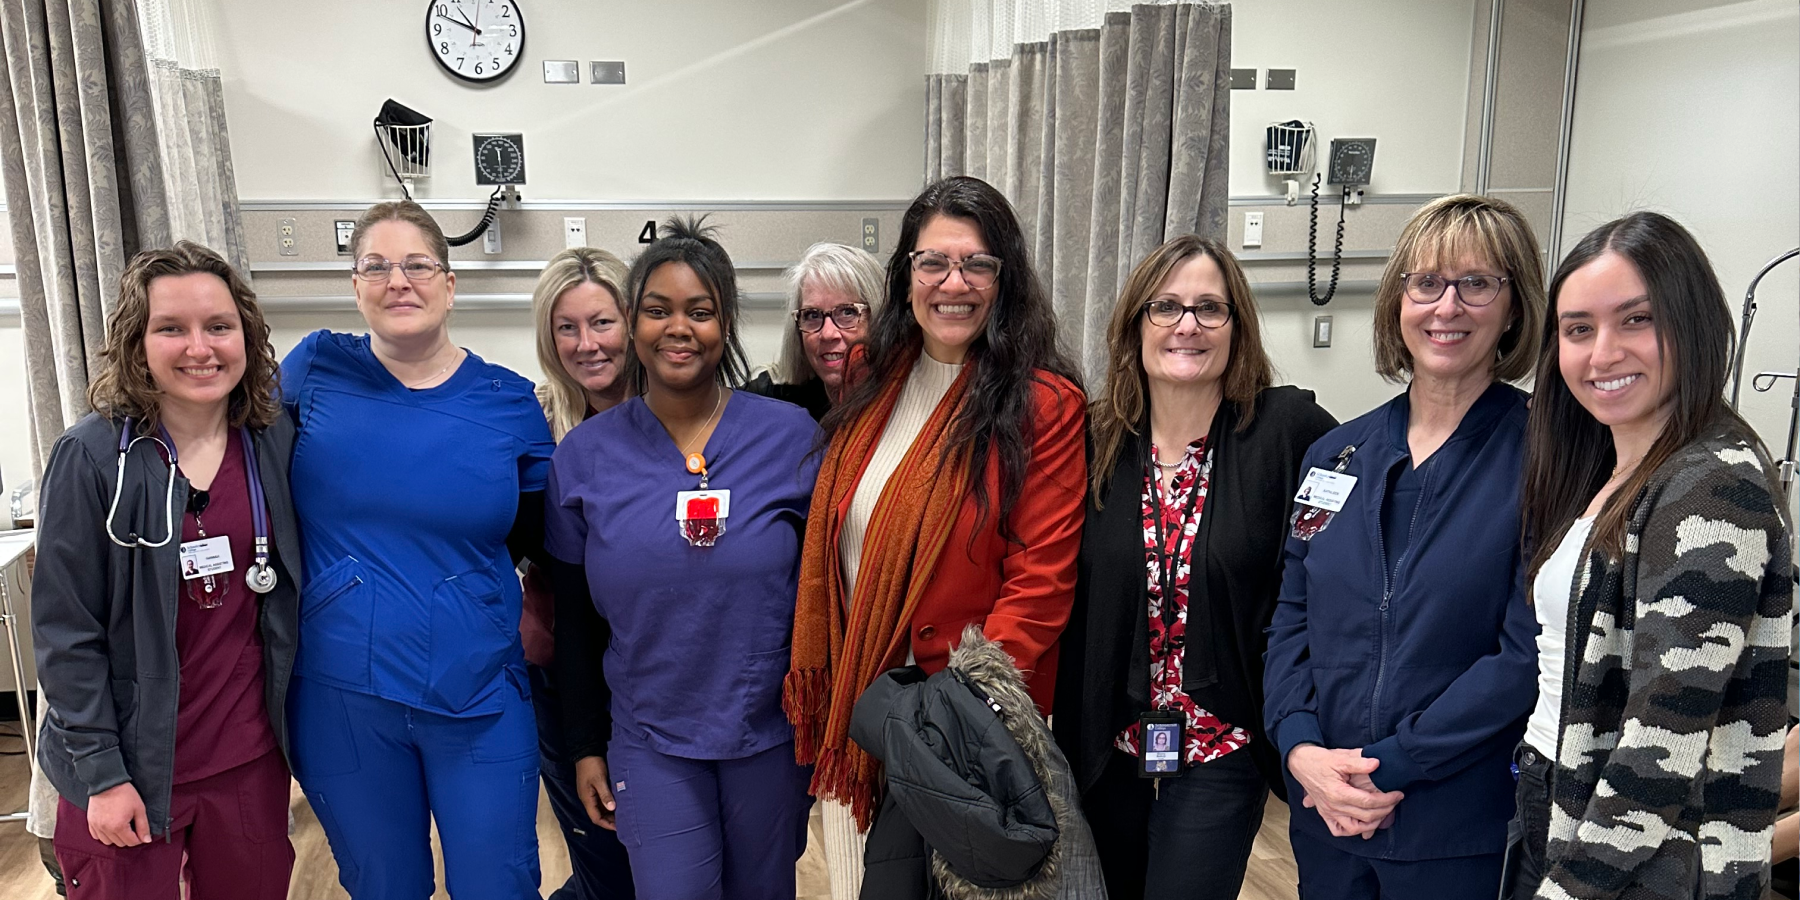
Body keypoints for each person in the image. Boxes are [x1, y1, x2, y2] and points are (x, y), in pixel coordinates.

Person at [784, 175, 1087, 896]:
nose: (955, 283)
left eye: (977, 264)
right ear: (906, 276)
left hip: (966, 727)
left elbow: (1039, 582)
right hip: (865, 711)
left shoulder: (1043, 404)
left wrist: (949, 716)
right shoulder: (871, 385)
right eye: (933, 263)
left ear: (1003, 278)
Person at [1262, 194, 1547, 900]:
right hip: (1325, 811)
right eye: (1426, 284)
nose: (1446, 307)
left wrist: (1388, 766)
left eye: (1476, 283)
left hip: (1453, 825)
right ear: (1397, 302)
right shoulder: (1336, 456)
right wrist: (1301, 749)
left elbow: (1525, 655)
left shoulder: (1548, 458)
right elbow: (1290, 617)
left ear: (1513, 308)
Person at [1507, 212, 1794, 900]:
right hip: (1557, 791)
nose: (1602, 353)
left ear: (1691, 325)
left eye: (1635, 320)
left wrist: (1568, 890)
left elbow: (1659, 747)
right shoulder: (1612, 466)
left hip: (1637, 855)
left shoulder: (1710, 488)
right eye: (1578, 329)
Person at [282, 200, 555, 898]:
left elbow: (545, 537)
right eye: (376, 266)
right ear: (354, 287)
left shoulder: (508, 401)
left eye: (417, 265)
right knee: (383, 885)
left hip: (479, 691)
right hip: (344, 697)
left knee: (500, 883)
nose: (397, 280)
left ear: (450, 282)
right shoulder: (314, 371)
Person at [1053, 235, 1337, 900]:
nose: (1188, 325)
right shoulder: (1091, 440)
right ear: (1135, 326)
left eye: (1211, 308)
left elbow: (1346, 559)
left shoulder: (1286, 431)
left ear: (1238, 326)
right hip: (1106, 749)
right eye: (1167, 307)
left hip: (1223, 744)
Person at [548, 218, 822, 900]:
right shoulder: (583, 458)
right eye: (658, 310)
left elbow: (825, 595)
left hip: (770, 736)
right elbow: (575, 622)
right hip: (651, 740)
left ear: (724, 325)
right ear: (634, 323)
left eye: (700, 312)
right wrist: (585, 744)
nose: (679, 328)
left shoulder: (791, 439)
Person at [33, 242, 300, 899]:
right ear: (137, 342)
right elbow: (66, 637)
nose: (200, 348)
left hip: (245, 763)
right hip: (128, 765)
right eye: (171, 328)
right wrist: (100, 772)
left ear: (248, 335)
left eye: (219, 326)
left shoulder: (272, 441)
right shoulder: (93, 459)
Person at [521, 247, 637, 899]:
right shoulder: (535, 425)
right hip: (565, 674)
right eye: (567, 328)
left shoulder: (677, 418)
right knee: (603, 861)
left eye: (602, 322)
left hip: (659, 671)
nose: (587, 344)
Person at [743, 241, 885, 421]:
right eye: (812, 315)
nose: (827, 333)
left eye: (847, 312)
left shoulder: (907, 401)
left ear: (879, 317)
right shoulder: (770, 399)